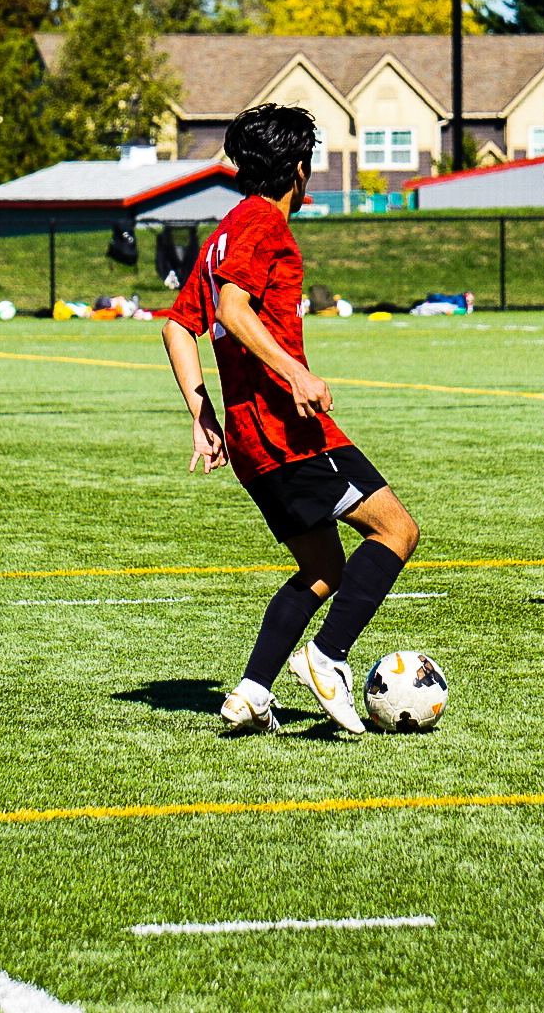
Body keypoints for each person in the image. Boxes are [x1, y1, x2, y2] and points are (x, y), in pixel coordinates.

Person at [160, 103, 420, 735]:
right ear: (299, 170)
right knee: (396, 532)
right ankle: (327, 659)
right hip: (289, 432)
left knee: (323, 570)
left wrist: (203, 415)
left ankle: (250, 692)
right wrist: (297, 374)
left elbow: (177, 325)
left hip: (252, 442)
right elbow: (233, 307)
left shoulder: (224, 229)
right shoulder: (262, 225)